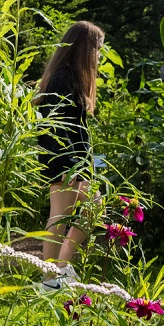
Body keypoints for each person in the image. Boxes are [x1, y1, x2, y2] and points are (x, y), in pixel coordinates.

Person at [35, 21, 105, 289]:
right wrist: (69, 167)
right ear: (85, 49)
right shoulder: (61, 78)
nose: (99, 56)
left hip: (77, 161)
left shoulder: (73, 76)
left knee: (94, 207)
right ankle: (49, 277)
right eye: (97, 49)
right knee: (60, 216)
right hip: (62, 159)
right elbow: (56, 127)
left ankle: (62, 267)